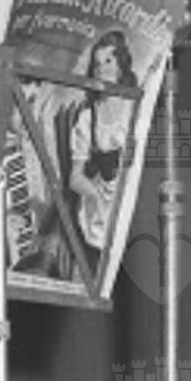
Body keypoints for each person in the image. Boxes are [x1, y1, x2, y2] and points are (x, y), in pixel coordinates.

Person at [66, 30, 137, 259]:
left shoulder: (135, 109)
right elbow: (75, 178)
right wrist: (95, 197)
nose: (102, 70)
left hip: (134, 199)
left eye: (108, 61)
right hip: (102, 206)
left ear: (121, 66)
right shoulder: (88, 117)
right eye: (97, 65)